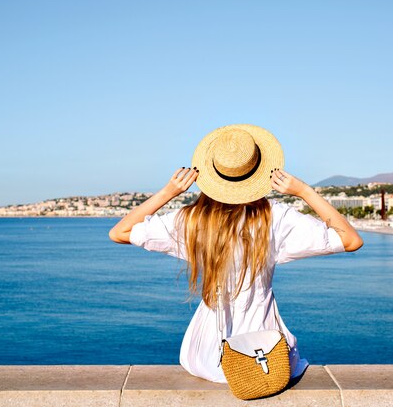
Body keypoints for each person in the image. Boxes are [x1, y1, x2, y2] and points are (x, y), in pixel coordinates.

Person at [109, 124, 363, 384]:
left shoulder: (192, 220)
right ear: (259, 170)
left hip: (206, 355)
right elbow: (350, 240)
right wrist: (305, 191)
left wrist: (169, 192)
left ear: (211, 173)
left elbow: (119, 233)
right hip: (262, 356)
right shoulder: (275, 218)